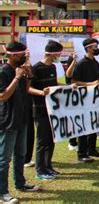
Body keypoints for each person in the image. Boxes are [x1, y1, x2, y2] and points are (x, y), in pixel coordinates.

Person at [0, 42, 41, 204]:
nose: (24, 57)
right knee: (4, 158)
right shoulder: (4, 71)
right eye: (21, 54)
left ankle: (20, 183)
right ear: (12, 55)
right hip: (8, 120)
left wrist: (28, 75)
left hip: (22, 117)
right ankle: (2, 192)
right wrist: (17, 77)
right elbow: (3, 96)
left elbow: (25, 90)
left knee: (21, 154)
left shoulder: (21, 70)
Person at [27, 40, 63, 181]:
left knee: (51, 139)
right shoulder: (36, 68)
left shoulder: (53, 67)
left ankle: (48, 166)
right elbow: (28, 88)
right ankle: (39, 170)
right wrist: (41, 93)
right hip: (40, 109)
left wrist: (66, 86)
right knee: (42, 141)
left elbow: (53, 84)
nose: (59, 56)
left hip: (52, 110)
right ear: (52, 53)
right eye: (58, 53)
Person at [72, 38, 99, 163]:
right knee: (84, 126)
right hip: (83, 99)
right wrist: (90, 84)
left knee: (94, 124)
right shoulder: (81, 63)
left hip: (95, 98)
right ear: (88, 48)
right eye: (94, 47)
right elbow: (74, 82)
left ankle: (92, 149)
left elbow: (97, 79)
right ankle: (81, 153)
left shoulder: (96, 63)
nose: (97, 49)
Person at [65, 52, 78, 152]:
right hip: (71, 98)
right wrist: (73, 61)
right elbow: (68, 74)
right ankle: (72, 142)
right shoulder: (70, 70)